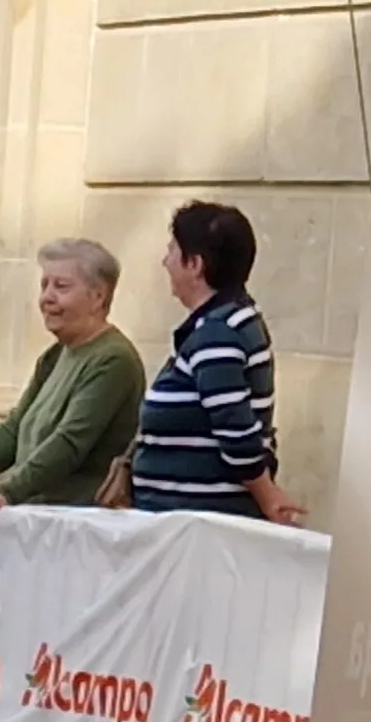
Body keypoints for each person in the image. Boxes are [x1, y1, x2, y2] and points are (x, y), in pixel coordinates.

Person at [0, 238, 145, 517]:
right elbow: (14, 429)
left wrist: (8, 492)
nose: (47, 298)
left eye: (61, 286)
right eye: (44, 285)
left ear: (98, 297)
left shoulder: (113, 360)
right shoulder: (55, 355)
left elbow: (69, 443)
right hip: (36, 519)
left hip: (76, 526)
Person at [131, 201, 306, 525]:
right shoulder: (225, 323)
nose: (164, 261)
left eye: (172, 250)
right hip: (187, 522)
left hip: (200, 526)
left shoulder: (218, 333)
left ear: (195, 264)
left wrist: (268, 496)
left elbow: (235, 426)